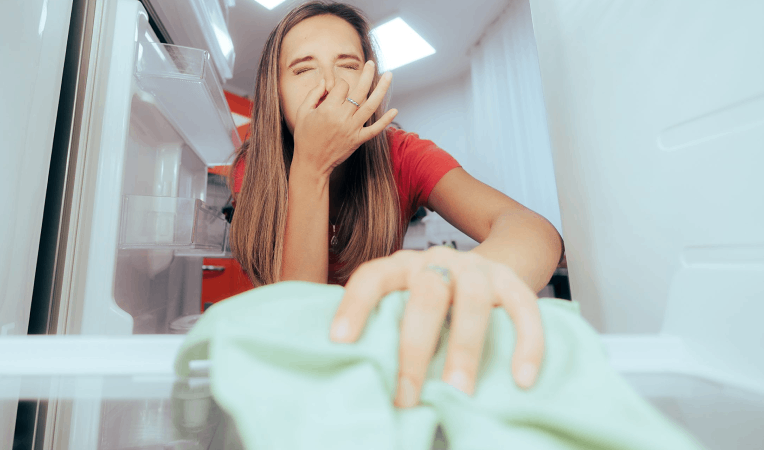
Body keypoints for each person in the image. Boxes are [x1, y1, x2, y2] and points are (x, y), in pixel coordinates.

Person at [227, 1, 563, 409]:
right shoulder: (253, 167)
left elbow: (531, 230)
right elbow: (303, 316)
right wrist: (311, 166)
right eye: (302, 69)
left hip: (386, 361)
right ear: (274, 93)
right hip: (295, 370)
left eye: (349, 66)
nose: (329, 84)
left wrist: (464, 273)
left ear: (370, 83)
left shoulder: (401, 154)